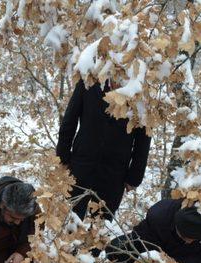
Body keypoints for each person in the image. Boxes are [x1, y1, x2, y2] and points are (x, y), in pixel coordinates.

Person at [56, 80, 152, 219]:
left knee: (100, 229)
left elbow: (143, 141)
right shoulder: (89, 81)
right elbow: (69, 121)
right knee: (70, 222)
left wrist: (134, 178)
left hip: (114, 175)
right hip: (80, 167)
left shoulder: (140, 93)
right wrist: (63, 157)